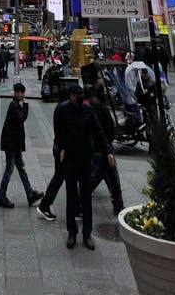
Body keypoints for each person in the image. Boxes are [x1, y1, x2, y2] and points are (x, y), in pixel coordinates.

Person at [54, 82, 113, 250]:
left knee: (86, 197)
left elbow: (98, 130)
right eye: (76, 96)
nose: (79, 98)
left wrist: (107, 150)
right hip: (71, 159)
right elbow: (58, 130)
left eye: (80, 96)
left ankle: (87, 233)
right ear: (71, 96)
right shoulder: (63, 109)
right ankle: (72, 232)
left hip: (86, 159)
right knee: (71, 196)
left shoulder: (88, 110)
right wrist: (61, 146)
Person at [0, 83, 44, 209]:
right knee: (9, 169)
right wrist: (26, 106)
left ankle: (30, 194)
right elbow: (21, 118)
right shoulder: (13, 105)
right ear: (17, 93)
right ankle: (1, 196)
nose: (23, 95)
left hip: (14, 143)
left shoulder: (16, 104)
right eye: (22, 93)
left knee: (21, 168)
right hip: (11, 144)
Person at [87, 79, 124, 214]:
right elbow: (99, 129)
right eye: (99, 84)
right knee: (101, 176)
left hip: (104, 146)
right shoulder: (96, 104)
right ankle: (118, 205)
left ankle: (118, 205)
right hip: (103, 147)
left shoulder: (97, 102)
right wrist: (105, 148)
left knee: (109, 177)